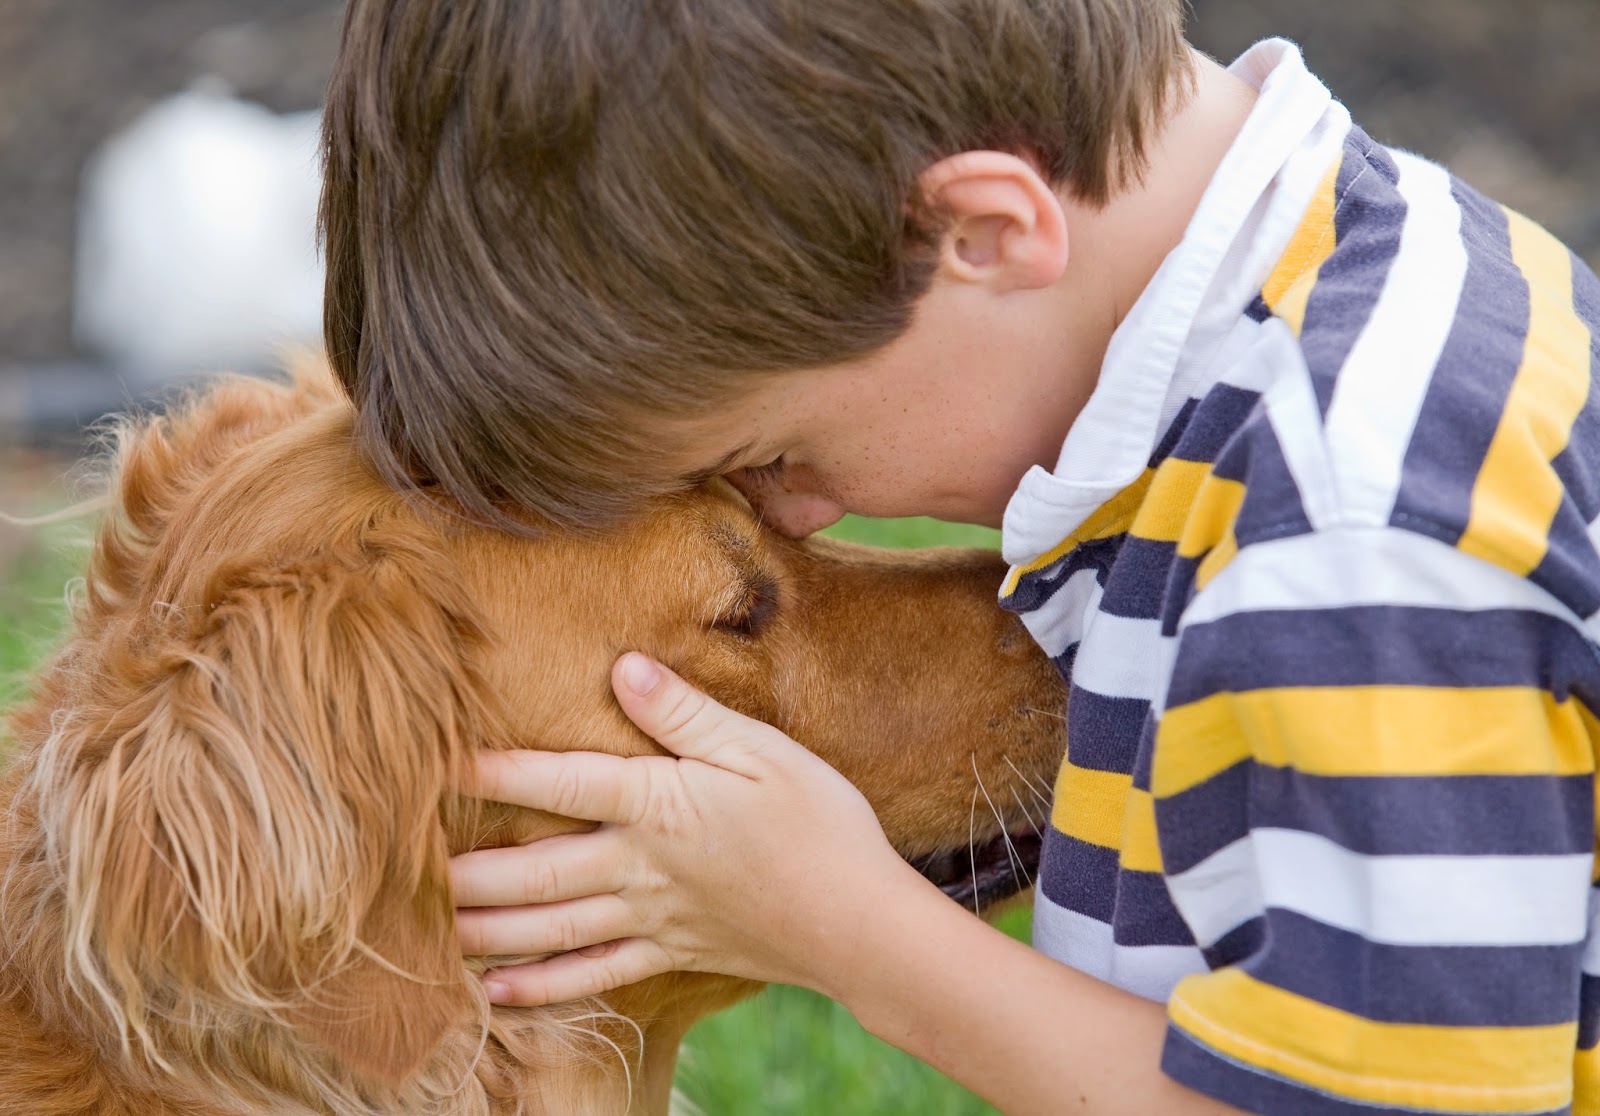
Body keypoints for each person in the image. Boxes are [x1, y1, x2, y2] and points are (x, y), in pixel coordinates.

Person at [317, 2, 1600, 1113]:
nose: (806, 513)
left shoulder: (1349, 538)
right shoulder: (1374, 287)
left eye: (774, 455)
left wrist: (853, 934)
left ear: (981, 234)